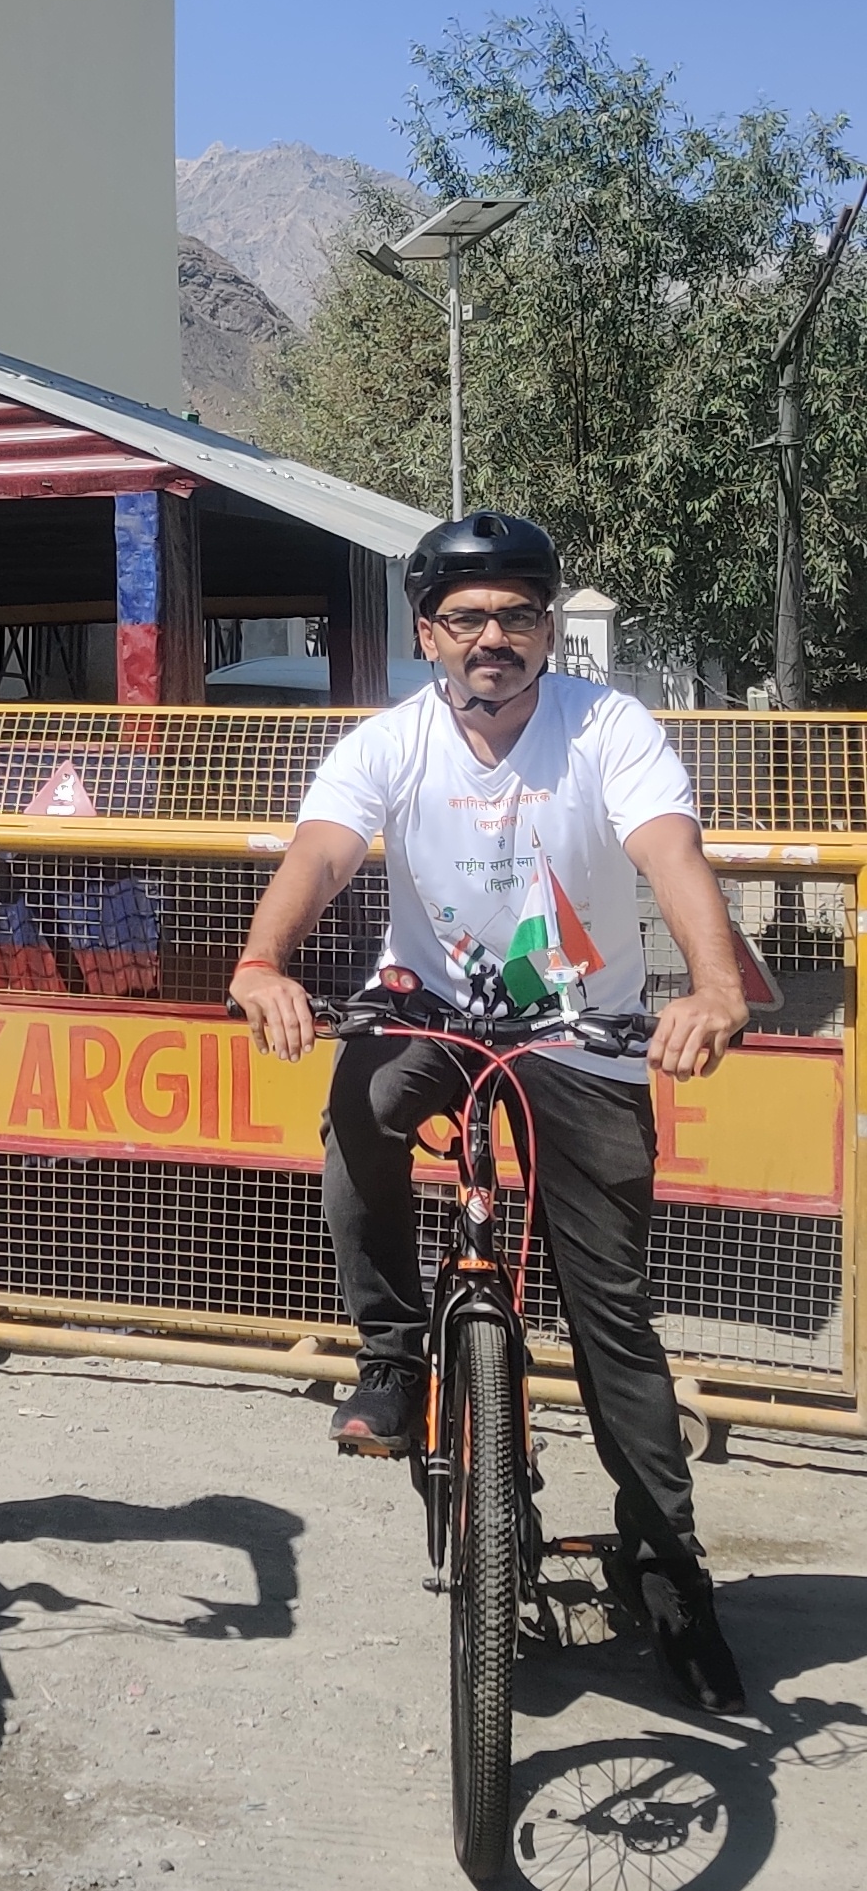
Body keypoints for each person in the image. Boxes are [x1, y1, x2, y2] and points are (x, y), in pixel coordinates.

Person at [228, 510, 750, 1710]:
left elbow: (670, 851)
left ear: (547, 629)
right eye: (468, 618)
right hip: (433, 1016)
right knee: (359, 1100)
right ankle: (396, 1354)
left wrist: (714, 984)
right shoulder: (391, 741)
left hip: (584, 1036)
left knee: (615, 1324)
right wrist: (264, 961)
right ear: (430, 635)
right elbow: (320, 853)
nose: (494, 638)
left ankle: (670, 1576)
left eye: (519, 614)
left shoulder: (606, 726)